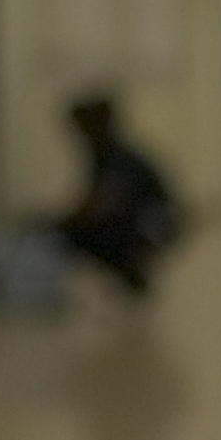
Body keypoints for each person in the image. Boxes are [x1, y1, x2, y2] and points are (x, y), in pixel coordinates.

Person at [54, 88, 187, 299]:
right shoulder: (105, 155)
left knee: (70, 235)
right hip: (142, 225)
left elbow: (105, 202)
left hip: (147, 227)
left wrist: (62, 222)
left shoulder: (117, 158)